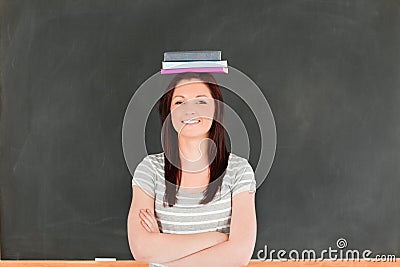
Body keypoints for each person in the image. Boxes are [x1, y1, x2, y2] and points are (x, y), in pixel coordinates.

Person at [127, 72, 257, 267]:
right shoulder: (150, 170)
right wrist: (218, 239)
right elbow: (141, 248)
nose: (190, 110)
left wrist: (165, 258)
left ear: (216, 110)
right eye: (179, 103)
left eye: (201, 102)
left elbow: (239, 254)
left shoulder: (238, 171)